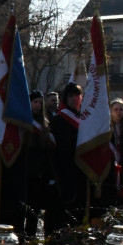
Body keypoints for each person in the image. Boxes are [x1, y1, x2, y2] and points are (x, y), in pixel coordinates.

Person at [48, 82, 85, 233]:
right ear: (65, 99)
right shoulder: (59, 119)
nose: (74, 98)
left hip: (81, 170)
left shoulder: (85, 118)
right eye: (70, 96)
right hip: (64, 170)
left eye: (77, 95)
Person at [24, 90, 56, 237]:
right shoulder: (24, 121)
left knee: (35, 209)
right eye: (34, 102)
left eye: (39, 102)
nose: (37, 105)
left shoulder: (44, 122)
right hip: (26, 170)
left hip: (40, 172)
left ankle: (31, 235)